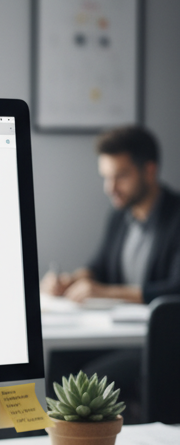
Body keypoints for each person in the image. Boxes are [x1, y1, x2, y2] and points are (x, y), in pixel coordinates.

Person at [41, 125, 180, 413]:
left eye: (120, 177)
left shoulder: (175, 218)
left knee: (84, 382)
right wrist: (71, 280)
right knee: (57, 363)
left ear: (149, 170)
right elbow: (99, 265)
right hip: (119, 336)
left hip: (158, 344)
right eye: (106, 177)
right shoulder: (120, 216)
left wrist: (104, 291)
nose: (110, 188)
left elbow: (175, 287)